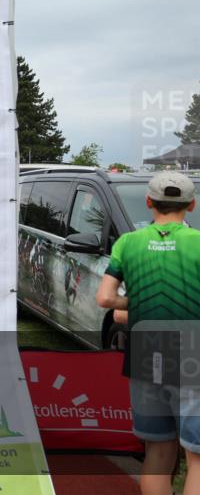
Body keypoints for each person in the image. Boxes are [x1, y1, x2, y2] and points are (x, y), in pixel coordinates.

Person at [96, 171, 200, 495]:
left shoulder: (128, 242)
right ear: (192, 205)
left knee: (157, 449)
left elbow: (105, 299)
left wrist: (133, 300)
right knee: (196, 456)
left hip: (145, 350)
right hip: (191, 352)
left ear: (148, 202)